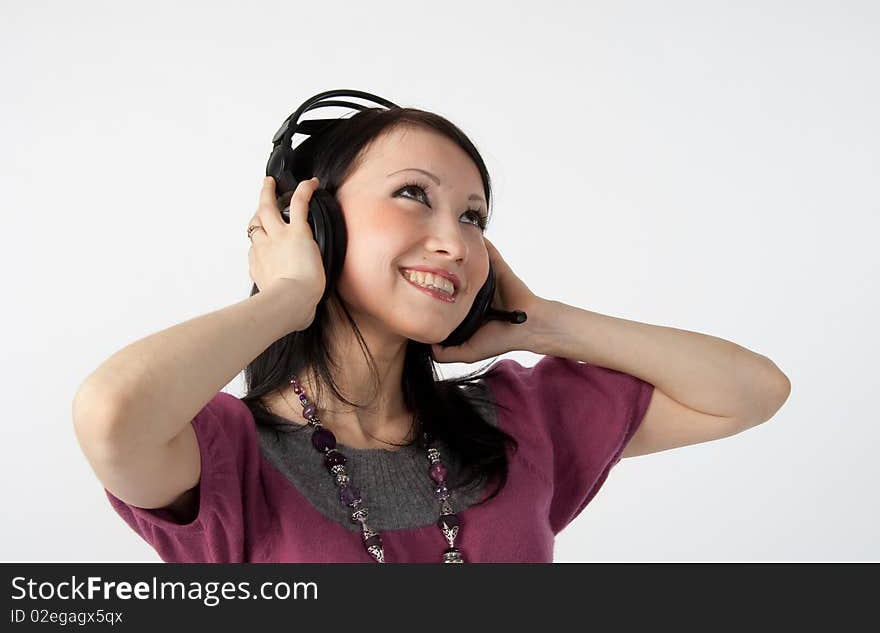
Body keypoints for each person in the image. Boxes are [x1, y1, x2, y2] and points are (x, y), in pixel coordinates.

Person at [72, 106, 791, 563]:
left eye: (474, 216)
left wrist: (539, 322)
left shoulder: (514, 421)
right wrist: (289, 294)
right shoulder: (224, 456)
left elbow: (752, 391)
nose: (454, 241)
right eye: (413, 194)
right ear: (317, 222)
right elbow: (111, 415)